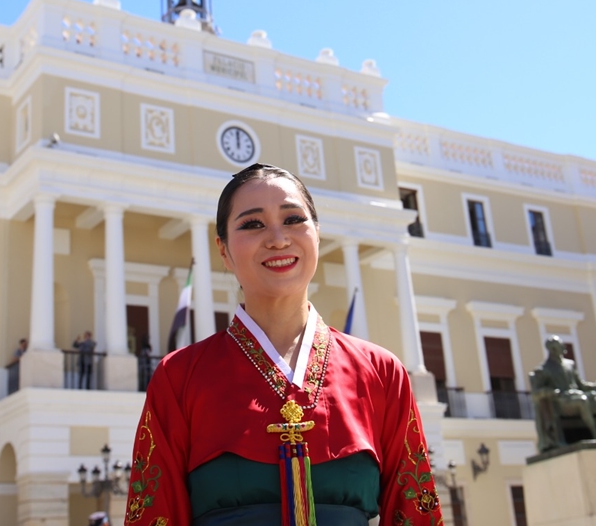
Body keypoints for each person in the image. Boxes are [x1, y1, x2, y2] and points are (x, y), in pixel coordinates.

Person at [124, 163, 443, 525]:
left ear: (317, 235)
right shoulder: (179, 378)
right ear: (224, 251)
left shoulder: (382, 373)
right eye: (252, 224)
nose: (278, 238)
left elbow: (415, 513)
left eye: (293, 219)